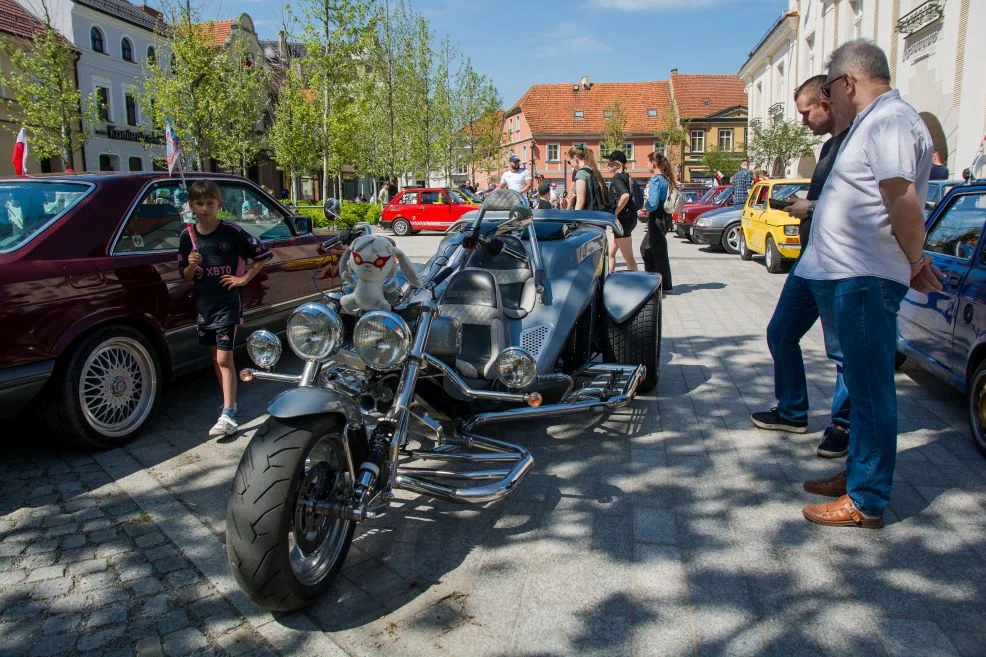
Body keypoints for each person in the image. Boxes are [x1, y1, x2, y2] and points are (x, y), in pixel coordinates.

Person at [795, 40, 941, 528]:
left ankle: (867, 498)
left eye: (831, 85)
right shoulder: (874, 122)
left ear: (849, 82)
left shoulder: (889, 121)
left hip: (864, 277)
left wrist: (915, 259)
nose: (830, 95)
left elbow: (901, 199)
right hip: (849, 275)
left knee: (871, 389)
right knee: (858, 385)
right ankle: (857, 471)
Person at [752, 74, 855, 458]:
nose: (802, 121)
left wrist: (808, 207)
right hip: (810, 259)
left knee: (841, 351)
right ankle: (793, 411)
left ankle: (844, 424)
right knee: (780, 332)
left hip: (838, 264)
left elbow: (860, 205)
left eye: (805, 111)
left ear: (827, 103)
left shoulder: (854, 144)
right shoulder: (829, 147)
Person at [178, 180, 273, 437]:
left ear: (219, 204)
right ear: (192, 206)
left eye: (210, 203)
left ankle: (229, 414)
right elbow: (186, 276)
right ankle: (227, 402)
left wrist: (242, 279)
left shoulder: (231, 231)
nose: (205, 208)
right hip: (204, 304)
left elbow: (263, 255)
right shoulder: (187, 237)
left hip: (227, 304)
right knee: (215, 358)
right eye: (199, 203)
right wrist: (191, 264)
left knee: (224, 358)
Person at [641, 151, 673, 292]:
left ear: (654, 163)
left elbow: (653, 203)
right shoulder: (665, 178)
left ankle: (655, 282)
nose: (647, 165)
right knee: (656, 249)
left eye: (648, 162)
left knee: (649, 249)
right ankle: (662, 283)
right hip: (664, 216)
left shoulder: (656, 179)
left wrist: (643, 208)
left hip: (657, 216)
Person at [602, 150, 638, 272]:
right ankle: (608, 279)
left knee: (628, 257)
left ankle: (636, 285)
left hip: (623, 222)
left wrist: (615, 212)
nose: (607, 165)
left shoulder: (617, 178)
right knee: (610, 254)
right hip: (624, 221)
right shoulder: (626, 176)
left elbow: (625, 195)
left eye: (610, 163)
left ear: (618, 165)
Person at [566, 144, 608, 211]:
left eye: (569, 162)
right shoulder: (593, 170)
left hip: (587, 216)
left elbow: (580, 202)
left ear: (575, 158)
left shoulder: (581, 173)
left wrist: (575, 218)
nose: (570, 165)